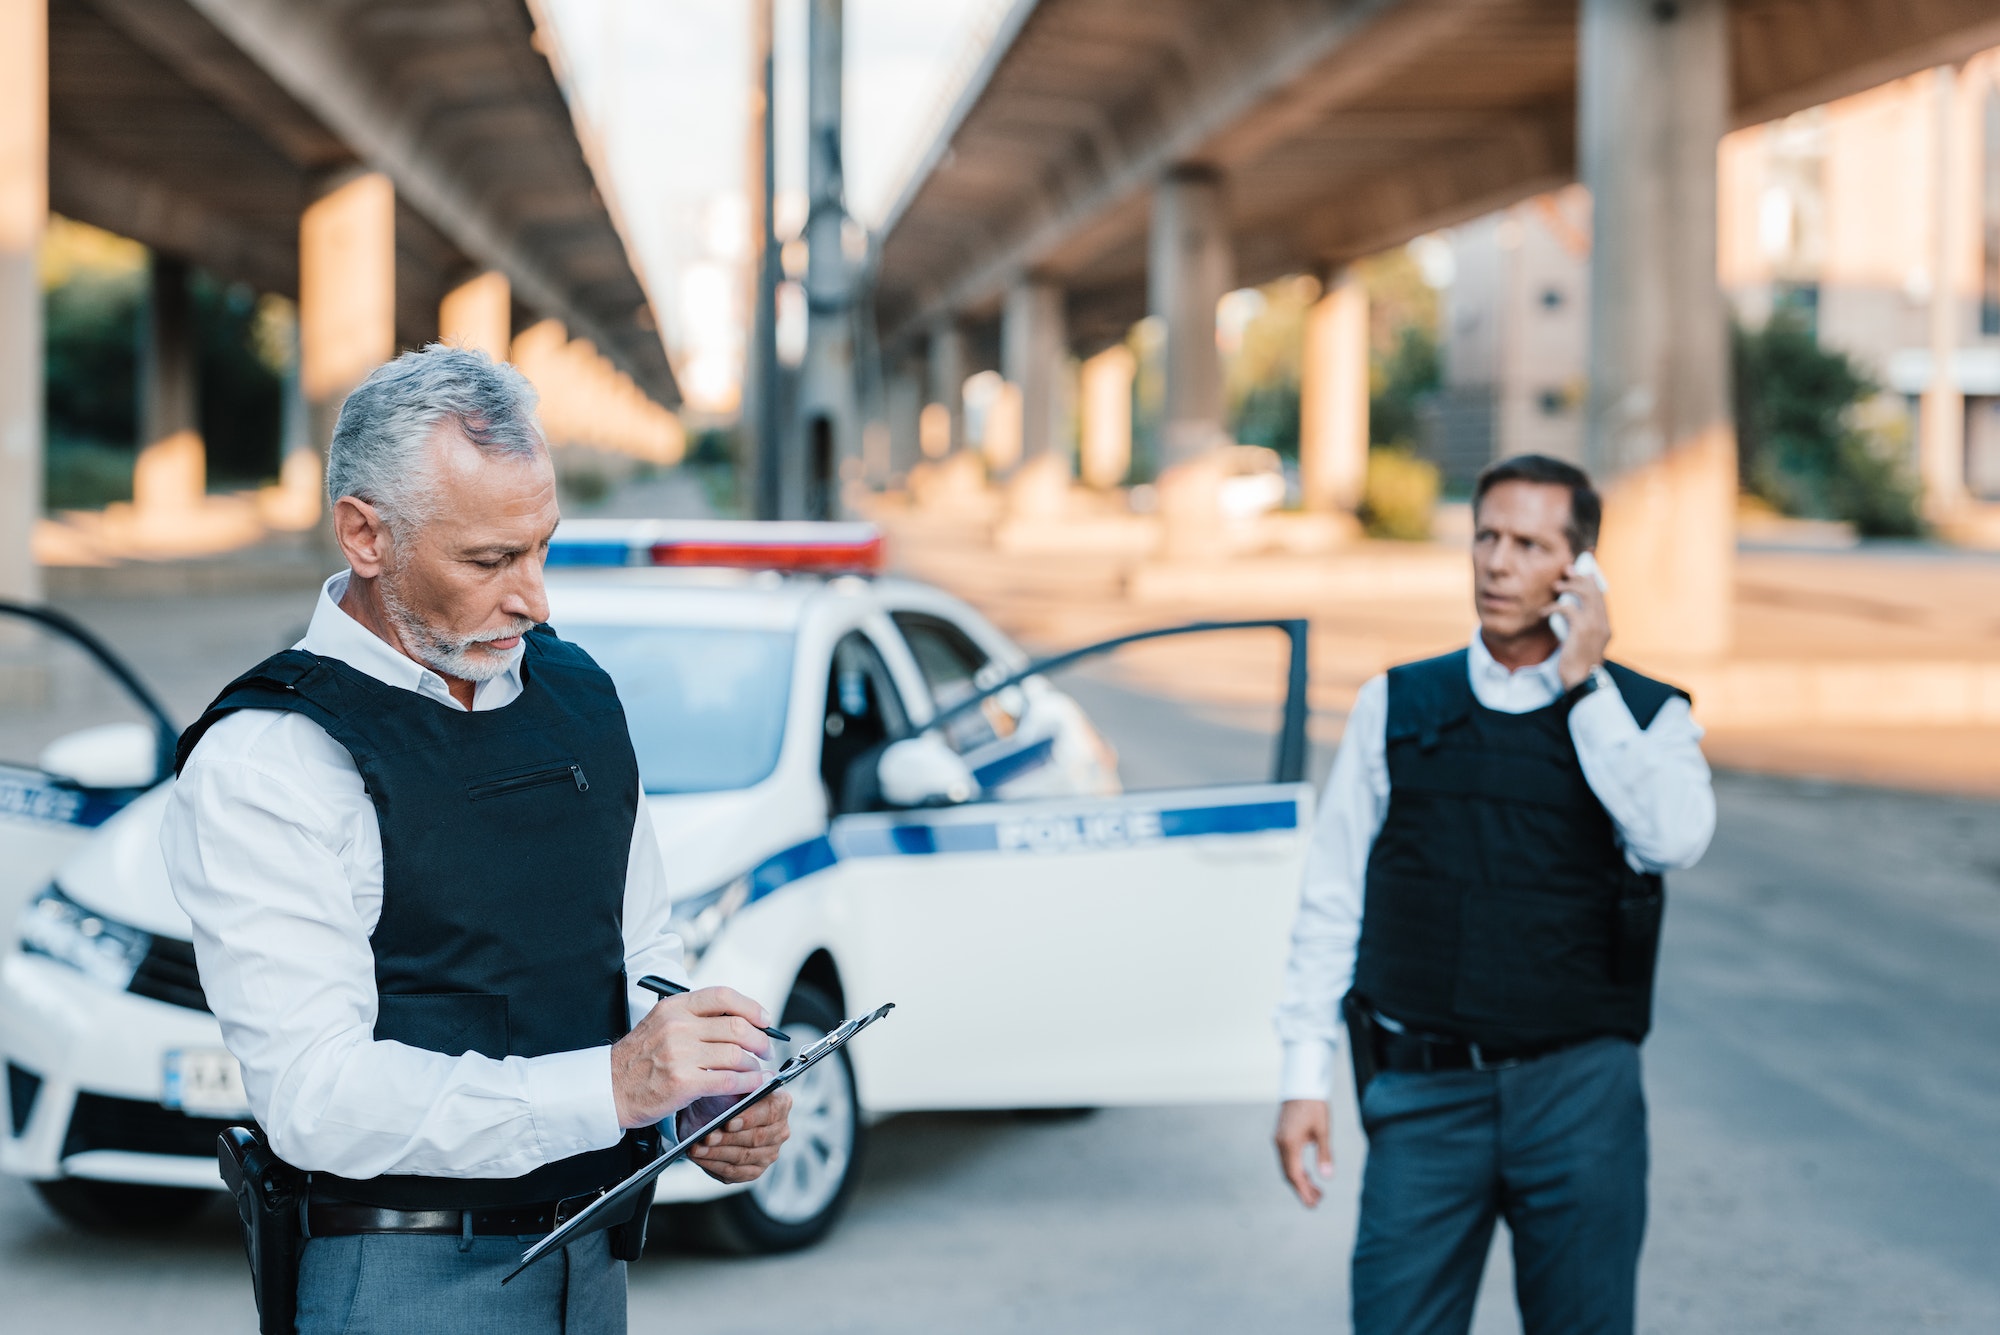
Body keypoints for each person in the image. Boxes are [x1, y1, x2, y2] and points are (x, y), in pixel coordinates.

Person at [163, 346, 790, 1334]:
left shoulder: (577, 693)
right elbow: (318, 1097)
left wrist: (698, 1093)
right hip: (401, 1274)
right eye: (490, 561)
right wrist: (615, 1085)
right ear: (364, 536)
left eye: (540, 546)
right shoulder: (271, 758)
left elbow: (636, 951)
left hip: (593, 1255)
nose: (534, 599)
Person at [1272, 454, 1716, 1335]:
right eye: (1485, 536)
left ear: (1580, 567)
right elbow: (1332, 895)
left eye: (1529, 543)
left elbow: (1673, 839)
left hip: (1579, 1095)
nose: (1498, 563)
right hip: (1425, 1095)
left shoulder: (1643, 715)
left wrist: (1584, 686)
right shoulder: (1396, 704)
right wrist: (1301, 1077)